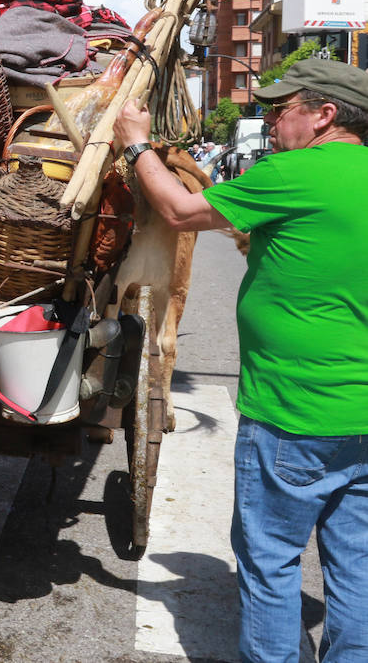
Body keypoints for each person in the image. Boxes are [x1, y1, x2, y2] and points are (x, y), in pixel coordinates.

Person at [113, 58, 368, 663]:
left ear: (325, 115)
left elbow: (178, 209)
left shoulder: (294, 173)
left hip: (292, 410)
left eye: (285, 109)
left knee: (271, 562)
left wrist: (136, 143)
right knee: (356, 564)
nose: (273, 120)